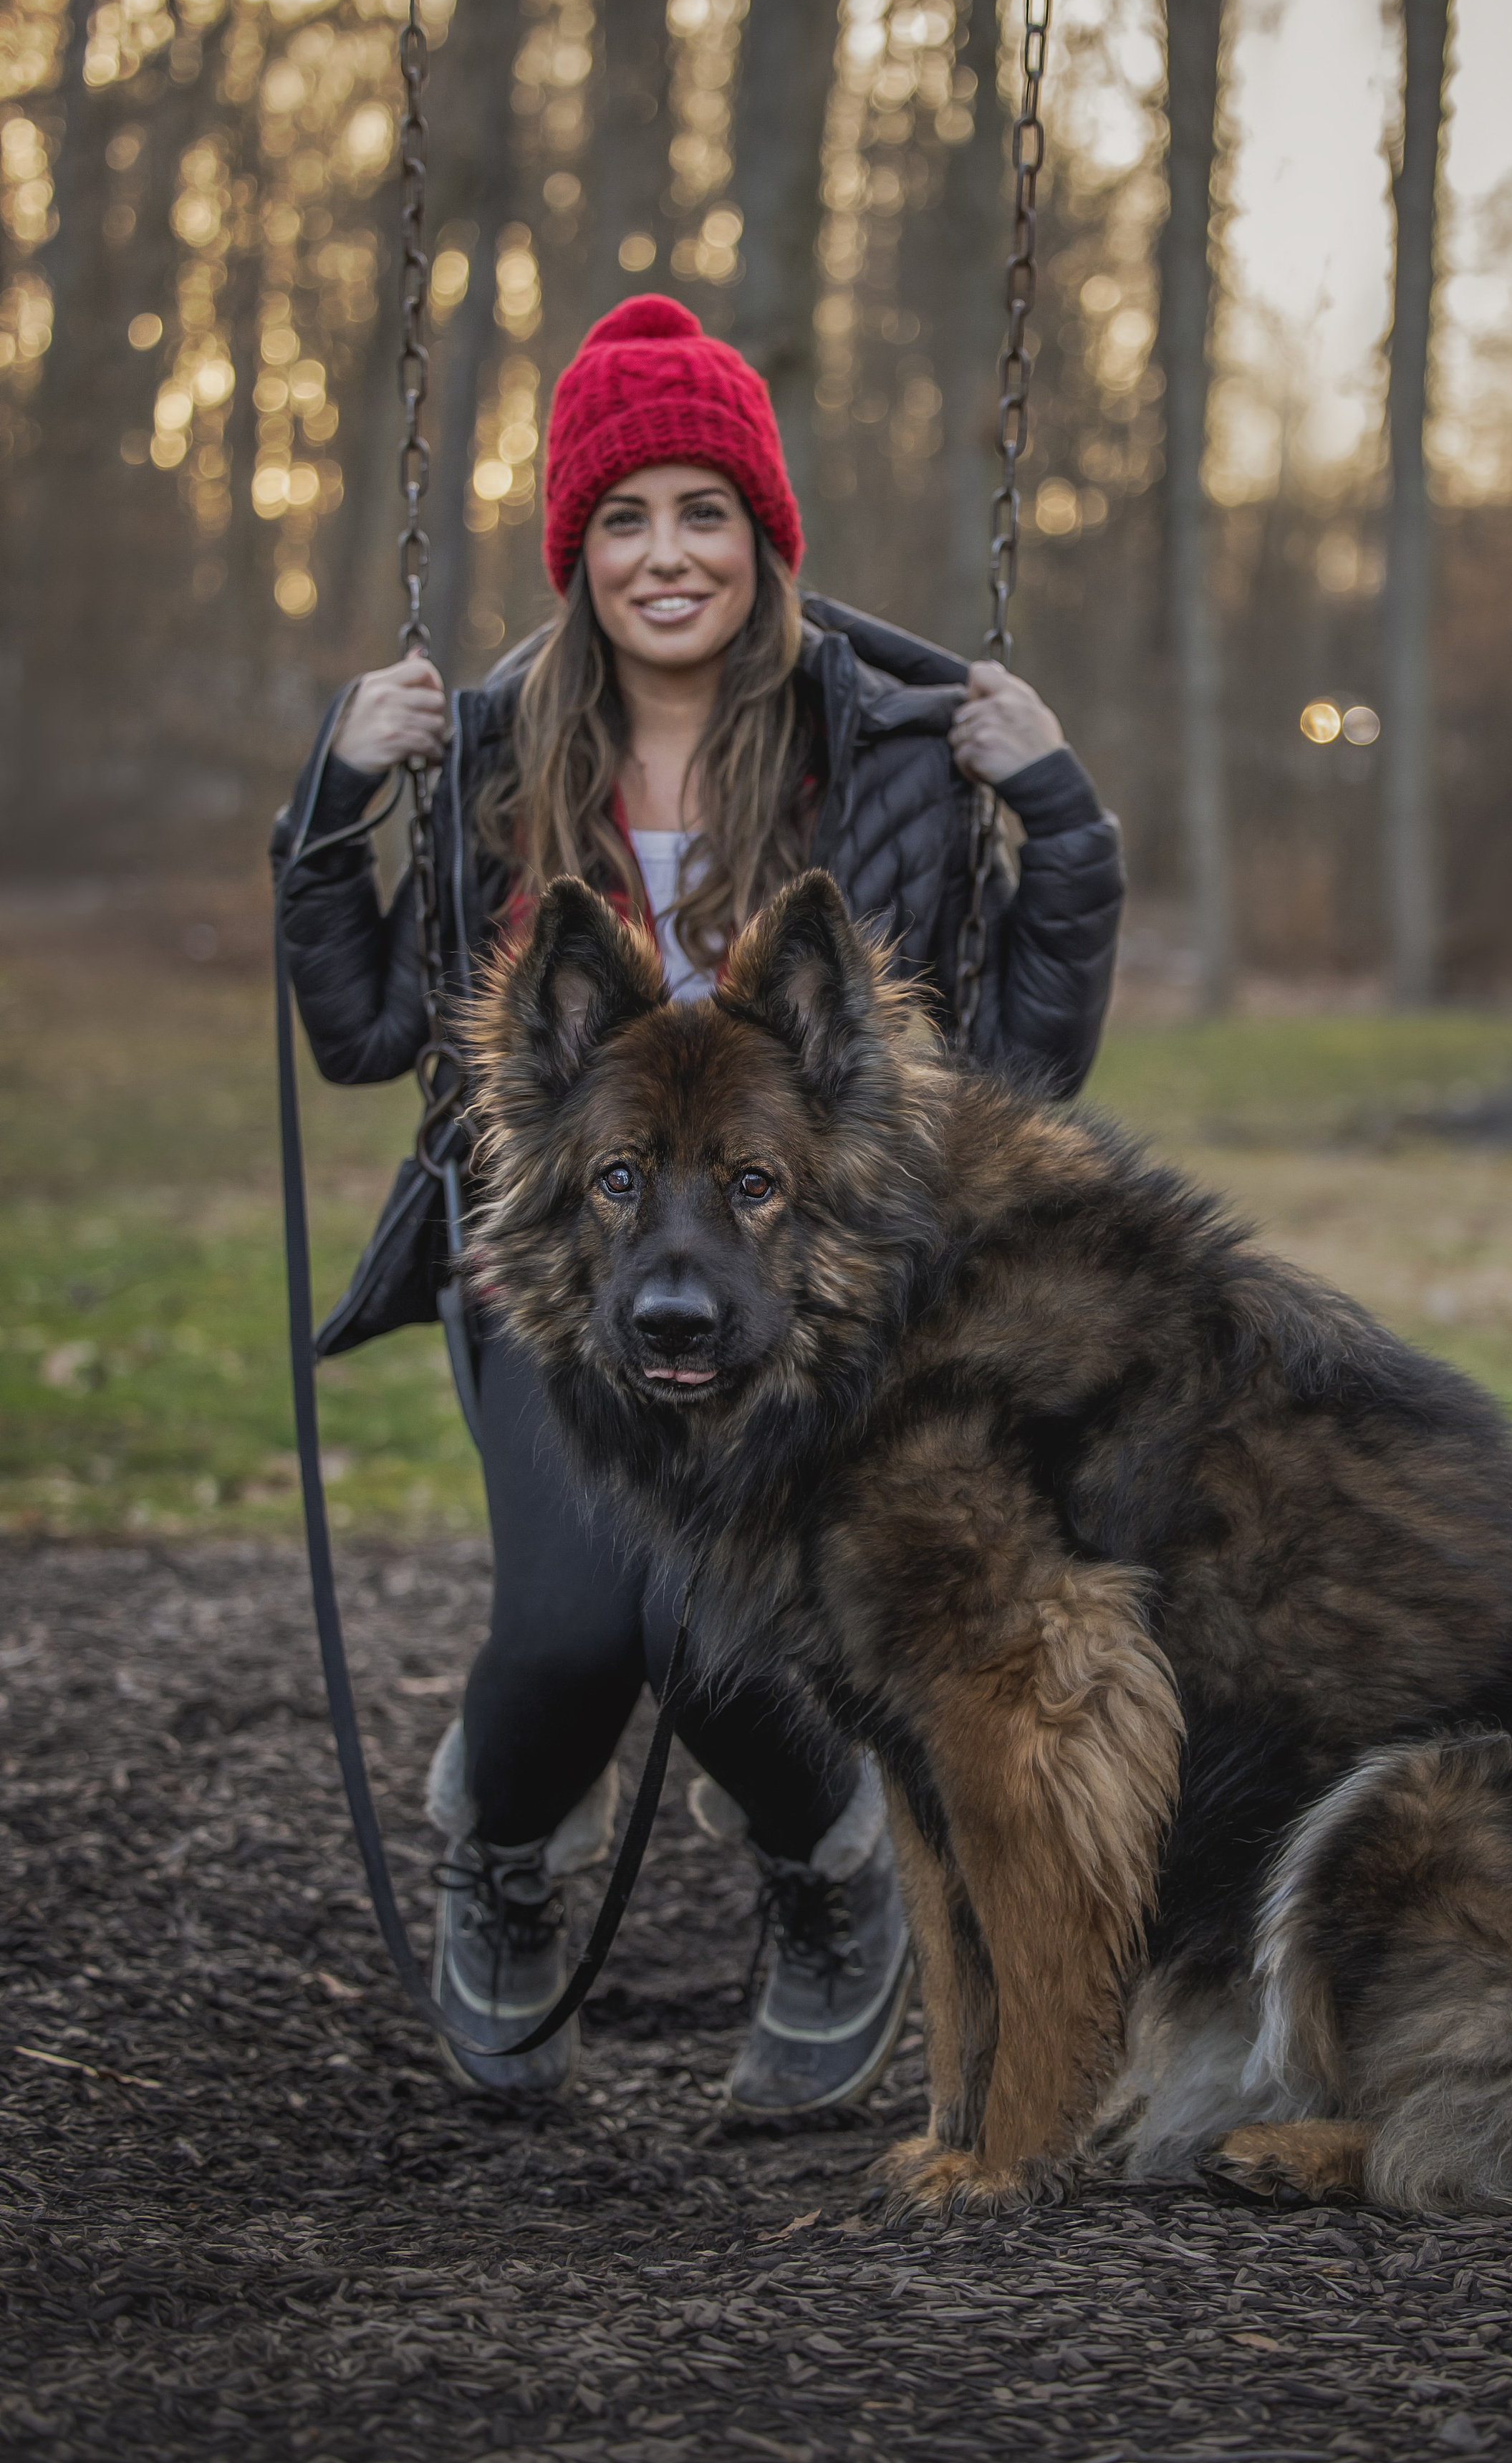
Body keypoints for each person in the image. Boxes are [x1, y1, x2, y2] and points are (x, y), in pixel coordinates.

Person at [274, 294, 1124, 2109]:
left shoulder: (886, 751)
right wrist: (332, 800)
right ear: (576, 552)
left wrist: (1056, 817)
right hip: (561, 1283)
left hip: (792, 1290)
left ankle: (825, 1869)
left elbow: (1014, 1070)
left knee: (716, 1625)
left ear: (763, 536)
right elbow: (360, 1036)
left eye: (704, 512)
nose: (667, 555)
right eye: (625, 519)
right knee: (575, 1632)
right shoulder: (491, 757)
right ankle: (506, 1850)